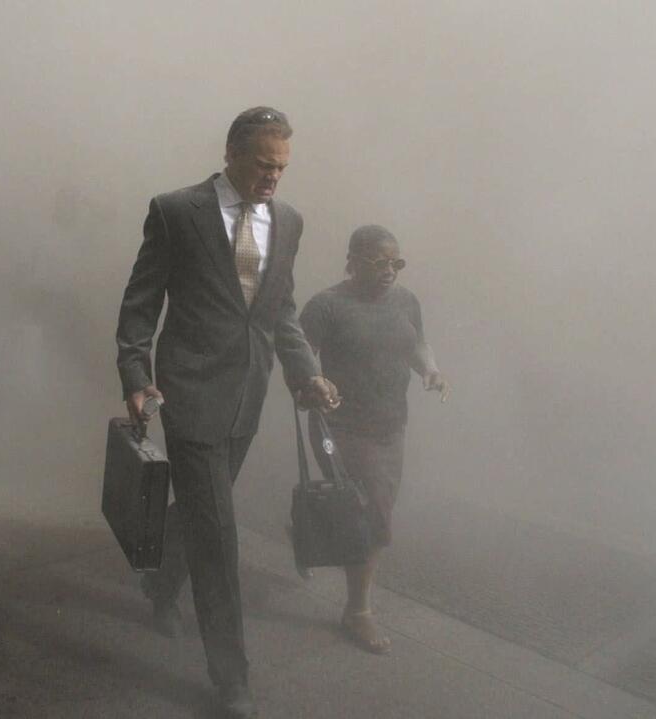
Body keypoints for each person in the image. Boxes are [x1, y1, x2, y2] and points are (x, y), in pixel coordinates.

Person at [115, 106, 339, 718]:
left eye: (283, 167)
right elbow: (141, 302)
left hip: (248, 395)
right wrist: (135, 374)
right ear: (232, 153)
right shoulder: (174, 211)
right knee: (217, 533)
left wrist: (306, 373)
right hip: (188, 394)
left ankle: (159, 584)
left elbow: (281, 309)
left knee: (197, 509)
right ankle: (231, 678)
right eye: (265, 164)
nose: (274, 178)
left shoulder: (287, 221)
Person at [298, 224, 448, 655]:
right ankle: (358, 611)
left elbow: (417, 344)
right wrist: (314, 383)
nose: (389, 271)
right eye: (378, 262)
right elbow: (300, 355)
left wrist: (430, 370)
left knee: (367, 511)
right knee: (370, 516)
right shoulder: (327, 306)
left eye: (396, 263)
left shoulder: (405, 301)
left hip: (389, 426)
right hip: (341, 428)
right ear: (352, 261)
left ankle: (306, 530)